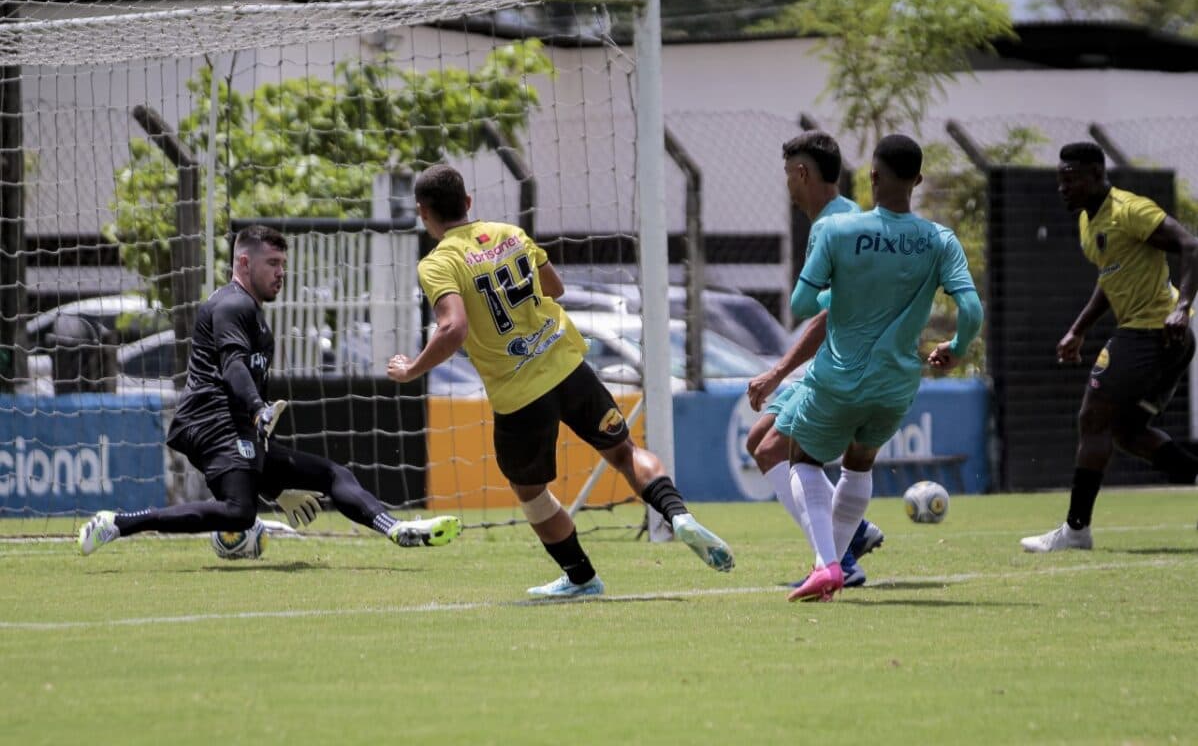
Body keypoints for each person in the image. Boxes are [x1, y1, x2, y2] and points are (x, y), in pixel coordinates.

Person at [386, 164, 734, 598]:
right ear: (469, 201)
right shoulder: (510, 233)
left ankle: (581, 576)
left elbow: (453, 327)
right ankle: (676, 514)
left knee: (531, 492)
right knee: (625, 453)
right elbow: (555, 287)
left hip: (519, 394)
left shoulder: (438, 263)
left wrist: (412, 369)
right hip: (569, 366)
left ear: (423, 213)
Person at [78, 225, 463, 555]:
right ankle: (116, 523)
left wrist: (276, 488)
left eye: (283, 265)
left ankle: (394, 528)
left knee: (330, 474)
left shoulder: (249, 310)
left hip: (233, 426)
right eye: (273, 264)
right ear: (244, 263)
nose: (281, 273)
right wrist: (258, 408)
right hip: (213, 422)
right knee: (239, 512)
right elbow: (232, 367)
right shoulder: (232, 306)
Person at [778, 134, 983, 601]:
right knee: (859, 461)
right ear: (919, 180)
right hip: (895, 384)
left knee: (804, 460)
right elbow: (971, 310)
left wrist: (840, 292)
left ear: (871, 175)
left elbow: (802, 302)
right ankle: (835, 567)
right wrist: (956, 346)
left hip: (839, 376)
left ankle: (828, 565)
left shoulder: (838, 230)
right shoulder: (938, 240)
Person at [1020, 142, 1198, 553]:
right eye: (1060, 181)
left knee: (1092, 418)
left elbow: (1191, 246)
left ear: (1097, 176)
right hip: (1162, 338)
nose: (1064, 189)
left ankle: (1075, 531)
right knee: (1128, 433)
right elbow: (1111, 277)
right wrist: (1079, 329)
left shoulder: (1129, 210)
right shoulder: (1089, 222)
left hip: (1152, 332)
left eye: (1072, 180)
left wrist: (1183, 308)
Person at [743, 131, 884, 588]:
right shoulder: (843, 217)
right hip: (837, 359)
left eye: (788, 174)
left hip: (843, 365)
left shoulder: (831, 227)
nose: (786, 184)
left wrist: (778, 371)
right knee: (759, 441)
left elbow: (825, 312)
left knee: (771, 450)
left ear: (802, 173)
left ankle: (842, 558)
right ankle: (855, 534)